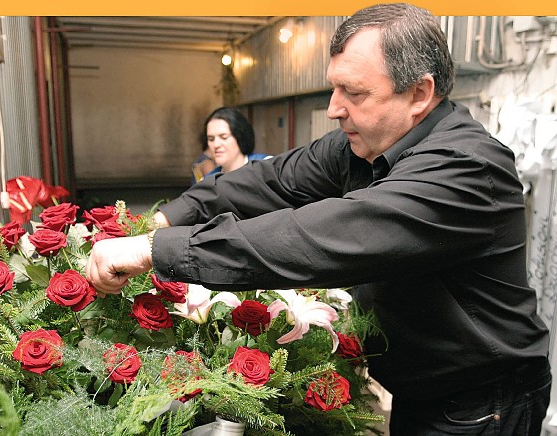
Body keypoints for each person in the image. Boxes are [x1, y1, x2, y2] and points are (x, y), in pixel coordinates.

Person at [86, 4, 551, 435]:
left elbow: (317, 237)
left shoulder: (465, 168)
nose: (334, 108)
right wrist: (165, 219)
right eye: (334, 88)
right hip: (420, 386)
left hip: (481, 403)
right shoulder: (363, 145)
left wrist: (156, 251)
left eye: (354, 92)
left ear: (419, 93)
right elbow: (267, 181)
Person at [201, 106, 270, 178]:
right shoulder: (208, 182)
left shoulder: (267, 166)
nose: (216, 144)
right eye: (211, 139)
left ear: (240, 136)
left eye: (224, 137)